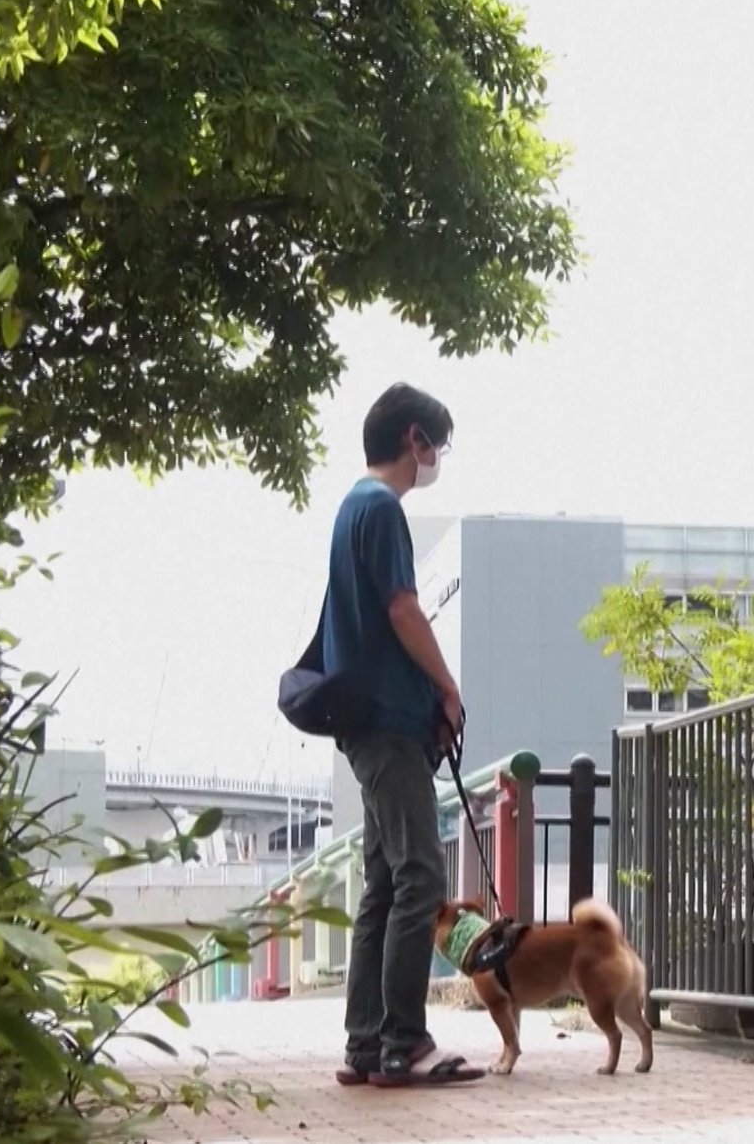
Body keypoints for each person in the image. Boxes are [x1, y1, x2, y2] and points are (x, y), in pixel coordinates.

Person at [326, 383, 482, 1088]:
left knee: (385, 884)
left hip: (365, 724)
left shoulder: (350, 510)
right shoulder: (382, 509)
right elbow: (403, 609)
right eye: (437, 446)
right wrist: (447, 688)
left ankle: (368, 1045)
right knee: (422, 874)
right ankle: (404, 1042)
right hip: (389, 725)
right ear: (413, 439)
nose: (437, 459)